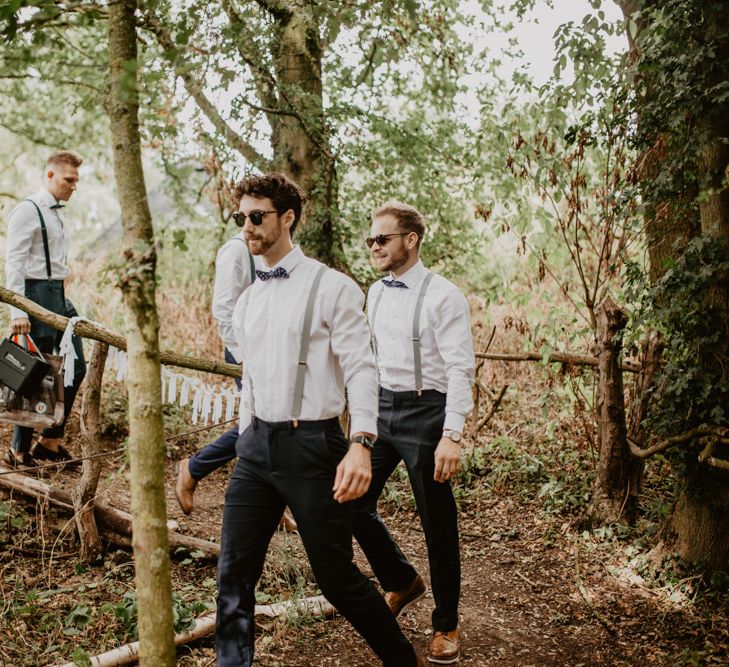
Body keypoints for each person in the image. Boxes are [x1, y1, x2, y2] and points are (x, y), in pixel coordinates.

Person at [216, 173, 421, 666]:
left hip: (313, 446)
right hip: (256, 450)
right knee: (233, 574)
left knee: (335, 578)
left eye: (258, 215)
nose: (248, 225)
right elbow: (253, 380)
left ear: (287, 218)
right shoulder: (247, 300)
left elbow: (361, 369)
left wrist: (361, 443)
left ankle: (402, 660)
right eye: (242, 216)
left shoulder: (332, 287)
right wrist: (247, 438)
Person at [352, 202, 475, 665]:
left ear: (411, 240)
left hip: (429, 412)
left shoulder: (445, 296)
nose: (374, 247)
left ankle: (446, 624)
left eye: (382, 239)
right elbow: (370, 358)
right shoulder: (375, 292)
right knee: (351, 502)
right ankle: (402, 580)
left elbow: (461, 369)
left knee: (436, 523)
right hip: (383, 410)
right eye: (371, 240)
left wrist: (452, 434)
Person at [4, 151, 87, 469]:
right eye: (69, 179)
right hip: (34, 294)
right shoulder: (28, 210)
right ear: (50, 175)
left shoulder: (57, 213)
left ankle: (50, 441)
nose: (74, 186)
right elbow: (15, 262)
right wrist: (18, 311)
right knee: (32, 371)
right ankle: (18, 451)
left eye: (77, 181)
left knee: (75, 368)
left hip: (59, 296)